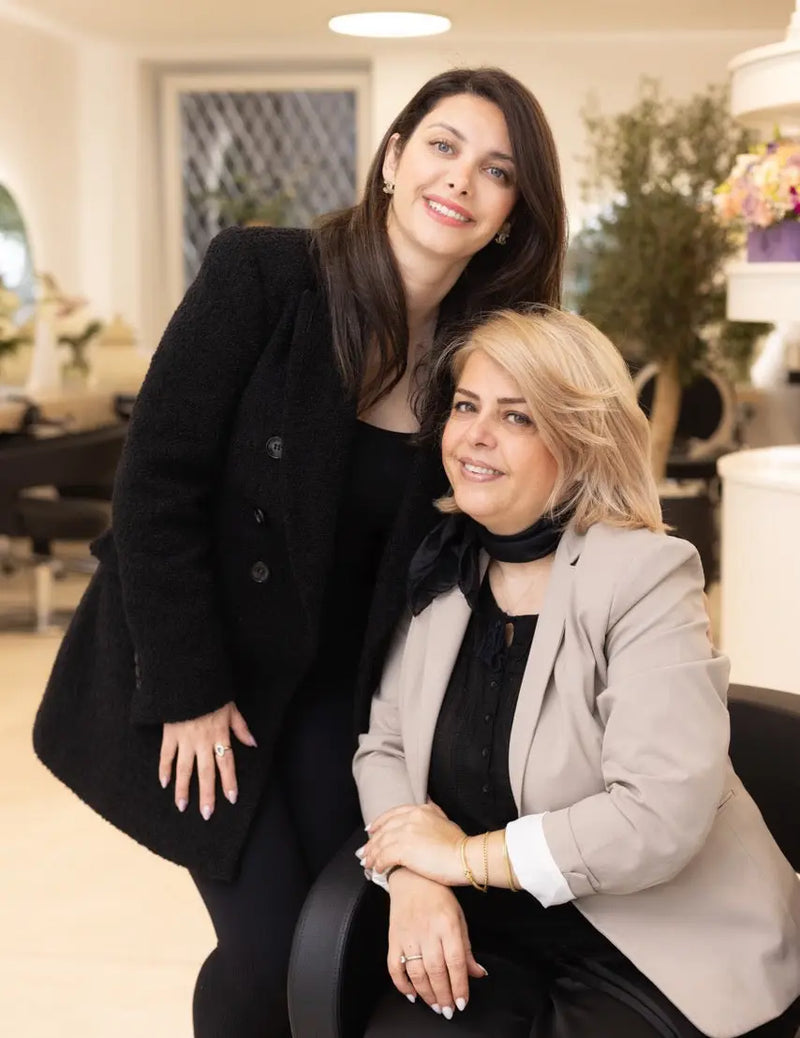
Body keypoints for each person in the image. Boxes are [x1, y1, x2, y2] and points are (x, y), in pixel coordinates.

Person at [32, 69, 566, 1038]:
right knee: (270, 952)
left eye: (497, 171)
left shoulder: (482, 354)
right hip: (204, 672)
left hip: (336, 697)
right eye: (442, 147)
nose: (460, 179)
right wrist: (187, 688)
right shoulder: (265, 275)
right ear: (393, 159)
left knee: (339, 934)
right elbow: (155, 485)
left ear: (510, 216)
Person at [354, 308, 800, 1038]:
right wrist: (410, 876)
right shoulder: (445, 568)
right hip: (492, 939)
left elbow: (656, 816)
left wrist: (462, 858)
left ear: (579, 440)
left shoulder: (645, 576)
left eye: (516, 416)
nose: (475, 435)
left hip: (659, 948)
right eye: (465, 406)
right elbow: (386, 747)